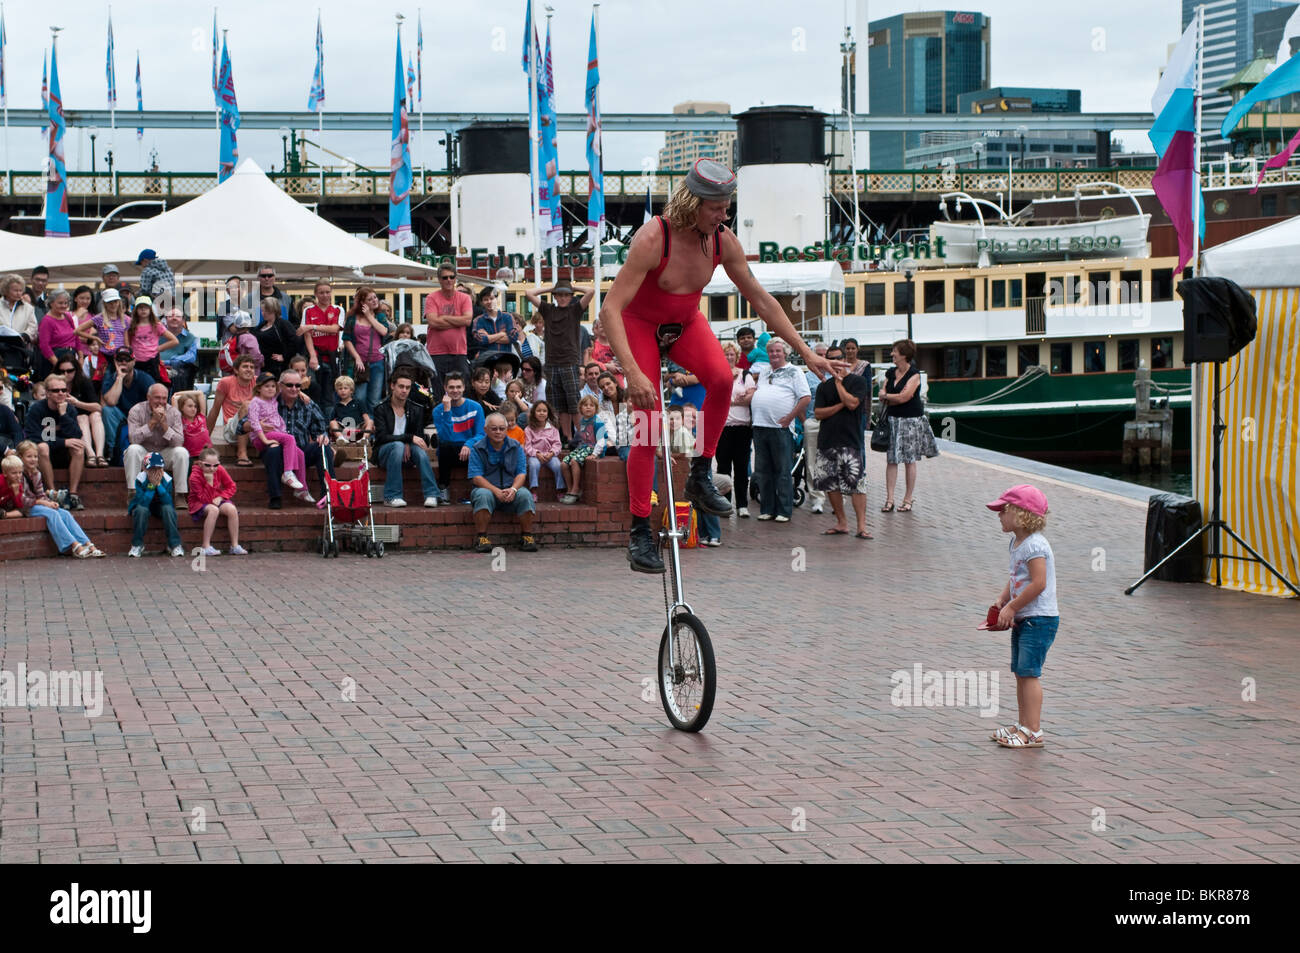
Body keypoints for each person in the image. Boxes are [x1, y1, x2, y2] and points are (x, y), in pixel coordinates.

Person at [600, 158, 835, 572]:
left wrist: (806, 351)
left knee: (722, 378)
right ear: (694, 203)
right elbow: (611, 309)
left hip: (685, 322)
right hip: (640, 323)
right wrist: (634, 373)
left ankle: (701, 472)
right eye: (718, 207)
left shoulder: (722, 240)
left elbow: (762, 300)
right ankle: (639, 531)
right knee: (648, 420)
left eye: (727, 207)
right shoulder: (654, 238)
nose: (725, 215)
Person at [986, 485, 1058, 750]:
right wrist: (1003, 598)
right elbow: (1016, 576)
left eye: (1003, 511)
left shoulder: (1036, 545)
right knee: (1020, 672)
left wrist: (1012, 608)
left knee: (1029, 673)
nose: (999, 516)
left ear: (1020, 514)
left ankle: (1034, 731)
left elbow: (1038, 583)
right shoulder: (1017, 542)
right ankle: (1023, 724)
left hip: (1039, 618)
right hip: (1025, 616)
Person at [247, 370, 334, 508]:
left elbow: (321, 425)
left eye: (298, 386)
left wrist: (322, 435)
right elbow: (242, 426)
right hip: (276, 451)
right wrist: (254, 425)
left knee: (323, 447)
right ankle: (275, 497)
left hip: (300, 451)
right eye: (289, 385)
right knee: (274, 451)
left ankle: (328, 494)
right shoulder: (269, 399)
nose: (294, 389)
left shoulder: (307, 403)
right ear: (280, 386)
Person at [750, 340, 810, 523]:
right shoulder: (765, 372)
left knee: (782, 470)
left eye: (778, 351)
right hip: (760, 426)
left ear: (785, 353)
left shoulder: (795, 372)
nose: (774, 354)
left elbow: (805, 397)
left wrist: (790, 417)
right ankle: (767, 508)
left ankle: (784, 510)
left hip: (781, 428)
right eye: (771, 351)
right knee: (762, 470)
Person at [1, 449, 103, 558]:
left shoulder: (36, 474)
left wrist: (50, 502)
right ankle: (75, 545)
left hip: (34, 504)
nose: (33, 459)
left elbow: (40, 494)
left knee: (64, 513)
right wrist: (37, 500)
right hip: (26, 507)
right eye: (29, 456)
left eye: (35, 456)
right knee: (52, 514)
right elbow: (22, 503)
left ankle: (88, 544)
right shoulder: (17, 478)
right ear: (21, 458)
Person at [812, 357, 872, 539]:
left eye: (840, 360)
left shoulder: (858, 382)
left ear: (846, 362)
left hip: (850, 441)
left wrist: (839, 384)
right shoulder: (823, 386)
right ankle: (842, 523)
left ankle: (862, 526)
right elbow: (818, 413)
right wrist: (840, 405)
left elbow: (853, 403)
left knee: (856, 485)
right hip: (827, 441)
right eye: (833, 362)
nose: (837, 365)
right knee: (830, 484)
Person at [526, 281, 595, 439]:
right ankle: (568, 438)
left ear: (571, 297)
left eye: (566, 295)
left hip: (569, 362)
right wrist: (552, 288)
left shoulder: (575, 309)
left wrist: (573, 287)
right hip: (551, 363)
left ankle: (582, 437)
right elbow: (529, 293)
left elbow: (590, 291)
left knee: (574, 403)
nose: (563, 298)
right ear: (555, 296)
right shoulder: (548, 309)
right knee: (559, 405)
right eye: (560, 295)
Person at [879, 338, 938, 513]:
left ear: (903, 355)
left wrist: (889, 396)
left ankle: (907, 499)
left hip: (911, 421)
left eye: (894, 351)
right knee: (892, 459)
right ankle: (889, 499)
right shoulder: (890, 373)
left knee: (909, 460)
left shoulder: (914, 375)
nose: (892, 354)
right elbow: (882, 393)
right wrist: (891, 396)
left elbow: (903, 397)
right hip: (893, 420)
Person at [467, 412, 538, 553]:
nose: (498, 432)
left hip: (510, 490)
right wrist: (496, 491)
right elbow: (476, 477)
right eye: (494, 429)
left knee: (525, 495)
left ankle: (527, 536)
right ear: (486, 430)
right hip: (488, 490)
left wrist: (513, 489)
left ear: (507, 429)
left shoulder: (516, 446)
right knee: (482, 495)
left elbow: (521, 473)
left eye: (501, 428)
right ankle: (482, 537)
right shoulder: (477, 448)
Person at [373, 368, 441, 508]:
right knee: (398, 446)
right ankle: (392, 496)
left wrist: (409, 442)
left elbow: (419, 437)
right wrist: (407, 439)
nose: (404, 390)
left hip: (407, 454)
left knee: (420, 452)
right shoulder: (381, 408)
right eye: (401, 386)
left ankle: (432, 494)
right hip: (384, 453)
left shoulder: (416, 408)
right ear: (392, 386)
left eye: (408, 387)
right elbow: (381, 437)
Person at [22, 373, 87, 510]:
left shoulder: (69, 408)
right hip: (44, 455)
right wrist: (63, 442)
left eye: (64, 390)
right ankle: (53, 493)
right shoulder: (37, 409)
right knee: (42, 447)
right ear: (47, 393)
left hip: (64, 455)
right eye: (56, 390)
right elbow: (33, 438)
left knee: (79, 448)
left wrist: (63, 415)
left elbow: (76, 435)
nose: (61, 393)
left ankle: (73, 494)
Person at [246, 372, 311, 502]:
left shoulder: (272, 400)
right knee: (290, 438)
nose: (270, 389)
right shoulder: (255, 402)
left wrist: (300, 393)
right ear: (259, 388)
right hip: (261, 437)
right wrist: (265, 440)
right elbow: (254, 423)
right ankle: (287, 473)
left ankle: (302, 489)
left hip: (274, 434)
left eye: (272, 386)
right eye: (266, 386)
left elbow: (286, 389)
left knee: (300, 454)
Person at [124, 383, 190, 497]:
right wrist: (153, 422)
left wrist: (164, 425)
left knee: (182, 452)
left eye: (164, 398)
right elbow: (133, 439)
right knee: (132, 449)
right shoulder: (136, 410)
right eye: (157, 398)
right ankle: (133, 492)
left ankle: (180, 494)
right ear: (148, 398)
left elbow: (179, 442)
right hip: (144, 452)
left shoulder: (174, 413)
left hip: (165, 452)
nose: (161, 401)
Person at [431, 371, 484, 502]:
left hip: (470, 450)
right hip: (450, 451)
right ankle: (443, 489)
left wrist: (468, 444)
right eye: (451, 387)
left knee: (479, 448)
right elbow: (445, 437)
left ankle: (476, 490)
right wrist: (447, 410)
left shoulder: (475, 407)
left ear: (464, 387)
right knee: (444, 446)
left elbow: (481, 434)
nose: (455, 390)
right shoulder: (438, 410)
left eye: (458, 387)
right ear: (445, 388)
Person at [716, 341, 755, 517]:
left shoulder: (745, 374)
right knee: (723, 467)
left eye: (732, 354)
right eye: (726, 354)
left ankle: (742, 505)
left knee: (741, 467)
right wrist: (736, 400)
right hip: (722, 427)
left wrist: (728, 402)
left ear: (737, 356)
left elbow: (749, 398)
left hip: (742, 427)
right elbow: (714, 397)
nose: (729, 357)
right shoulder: (718, 374)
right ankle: (725, 505)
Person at [100, 348, 156, 466]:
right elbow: (111, 401)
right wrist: (119, 377)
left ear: (134, 361)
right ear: (115, 361)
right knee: (107, 411)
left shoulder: (144, 378)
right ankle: (113, 451)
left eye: (127, 359)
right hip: (121, 418)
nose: (123, 362)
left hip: (141, 418)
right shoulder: (110, 378)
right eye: (120, 359)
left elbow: (156, 402)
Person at [188, 447, 246, 557]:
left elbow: (232, 486)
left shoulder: (219, 469)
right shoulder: (194, 476)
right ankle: (206, 546)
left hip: (216, 498)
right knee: (213, 510)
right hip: (198, 502)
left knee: (232, 509)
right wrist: (209, 482)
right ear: (200, 464)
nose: (212, 468)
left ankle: (235, 545)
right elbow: (203, 499)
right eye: (207, 465)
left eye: (215, 465)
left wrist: (222, 497)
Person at [423, 265, 474, 389]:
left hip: (459, 352)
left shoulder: (465, 298)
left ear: (456, 278)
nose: (449, 280)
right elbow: (433, 322)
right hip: (436, 352)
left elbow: (467, 320)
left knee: (462, 389)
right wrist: (458, 320)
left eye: (452, 277)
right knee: (438, 389)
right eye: (445, 277)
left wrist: (444, 318)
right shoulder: (431, 297)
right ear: (439, 279)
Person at [298, 279, 343, 419]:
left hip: (331, 356)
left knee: (329, 395)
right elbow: (306, 335)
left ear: (331, 293)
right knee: (314, 389)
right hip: (315, 355)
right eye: (321, 292)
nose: (325, 295)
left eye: (327, 292)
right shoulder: (309, 310)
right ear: (316, 294)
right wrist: (312, 356)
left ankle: (328, 426)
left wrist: (313, 326)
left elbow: (335, 329)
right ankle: (314, 423)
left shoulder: (337, 309)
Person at [127, 451, 184, 558]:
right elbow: (142, 502)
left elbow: (168, 502)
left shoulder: (167, 479)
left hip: (160, 506)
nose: (155, 472)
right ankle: (137, 544)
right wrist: (151, 486)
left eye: (158, 469)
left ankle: (174, 544)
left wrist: (158, 485)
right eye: (152, 469)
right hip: (144, 505)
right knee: (140, 511)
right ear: (145, 469)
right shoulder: (140, 478)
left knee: (168, 510)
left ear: (162, 469)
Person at [342, 286, 390, 415]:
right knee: (359, 397)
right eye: (370, 299)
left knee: (374, 399)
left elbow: (384, 331)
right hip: (360, 362)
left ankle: (372, 429)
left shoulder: (379, 316)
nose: (375, 300)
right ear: (363, 302)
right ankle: (361, 425)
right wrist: (356, 357)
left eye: (375, 297)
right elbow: (346, 339)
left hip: (377, 361)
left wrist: (369, 315)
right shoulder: (352, 318)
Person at [54, 356, 108, 468]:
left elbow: (98, 407)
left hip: (87, 418)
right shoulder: (53, 384)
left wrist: (77, 403)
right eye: (61, 371)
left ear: (76, 370)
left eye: (69, 371)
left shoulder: (83, 382)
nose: (65, 374)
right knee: (81, 417)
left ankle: (100, 455)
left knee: (95, 415)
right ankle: (90, 455)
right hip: (68, 422)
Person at [207, 353, 257, 463]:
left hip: (254, 430)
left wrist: (300, 392)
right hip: (231, 430)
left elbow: (280, 386)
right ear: (236, 370)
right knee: (247, 405)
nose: (249, 370)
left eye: (252, 367)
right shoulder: (226, 382)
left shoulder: (258, 382)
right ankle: (241, 453)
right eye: (245, 366)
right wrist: (206, 439)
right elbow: (215, 410)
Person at [560, 393, 607, 504]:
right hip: (583, 447)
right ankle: (570, 488)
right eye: (585, 405)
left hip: (594, 448)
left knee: (574, 461)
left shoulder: (598, 422)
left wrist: (595, 454)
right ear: (580, 408)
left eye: (591, 405)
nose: (588, 407)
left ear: (596, 408)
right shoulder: (582, 421)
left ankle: (576, 489)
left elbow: (601, 440)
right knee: (563, 463)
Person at [801, 342, 830, 516]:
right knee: (812, 462)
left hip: (834, 424)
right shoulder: (807, 376)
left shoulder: (838, 374)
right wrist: (805, 421)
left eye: (825, 354)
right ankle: (817, 498)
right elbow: (801, 398)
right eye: (818, 354)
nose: (822, 357)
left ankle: (837, 498)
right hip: (813, 421)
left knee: (835, 461)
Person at [126, 296, 179, 384]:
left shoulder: (156, 325)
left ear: (150, 309)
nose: (143, 310)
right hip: (135, 362)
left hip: (151, 361)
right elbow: (127, 343)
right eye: (140, 307)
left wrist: (158, 348)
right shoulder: (131, 325)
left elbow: (174, 340)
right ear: (136, 310)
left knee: (152, 386)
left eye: (146, 307)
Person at [35, 290, 81, 380]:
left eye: (66, 303)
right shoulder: (47, 321)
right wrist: (58, 365)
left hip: (71, 357)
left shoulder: (67, 316)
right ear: (51, 303)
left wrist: (81, 356)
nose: (63, 306)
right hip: (54, 360)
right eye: (60, 303)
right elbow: (44, 346)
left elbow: (76, 335)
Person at [523, 399, 565, 496]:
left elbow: (557, 444)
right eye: (538, 411)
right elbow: (527, 446)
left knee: (557, 465)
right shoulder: (529, 429)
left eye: (544, 411)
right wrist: (537, 454)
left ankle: (560, 489)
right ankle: (534, 490)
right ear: (534, 413)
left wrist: (552, 453)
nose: (541, 413)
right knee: (534, 465)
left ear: (548, 413)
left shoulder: (553, 429)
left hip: (550, 455)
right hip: (535, 456)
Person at [251, 295, 298, 380]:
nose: (263, 313)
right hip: (262, 366)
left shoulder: (283, 324)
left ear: (274, 310)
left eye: (267, 311)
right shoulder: (261, 326)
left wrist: (285, 356)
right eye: (262, 311)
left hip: (277, 368)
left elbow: (295, 341)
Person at [471, 286, 518, 363]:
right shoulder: (478, 320)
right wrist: (501, 334)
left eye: (491, 298)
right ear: (482, 302)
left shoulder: (508, 317)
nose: (489, 301)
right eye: (485, 299)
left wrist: (489, 336)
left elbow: (513, 337)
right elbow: (480, 340)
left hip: (505, 360)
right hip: (486, 361)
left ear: (497, 299)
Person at [596, 372, 632, 461]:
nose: (606, 388)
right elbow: (609, 429)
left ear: (615, 383)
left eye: (608, 384)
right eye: (602, 387)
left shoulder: (628, 399)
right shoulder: (602, 406)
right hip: (617, 444)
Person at [161, 309, 199, 393]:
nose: (174, 318)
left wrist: (170, 361)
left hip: (181, 377)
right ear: (166, 320)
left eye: (178, 316)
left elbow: (191, 356)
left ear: (183, 321)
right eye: (170, 316)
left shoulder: (190, 338)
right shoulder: (157, 335)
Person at [84, 287, 131, 355]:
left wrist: (128, 354)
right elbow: (77, 331)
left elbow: (126, 342)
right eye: (109, 302)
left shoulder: (124, 319)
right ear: (105, 303)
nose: (113, 304)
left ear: (119, 302)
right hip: (105, 354)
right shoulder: (99, 318)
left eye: (115, 301)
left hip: (120, 355)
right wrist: (95, 338)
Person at [328, 374, 373, 443]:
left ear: (351, 390)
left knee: (370, 421)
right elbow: (331, 424)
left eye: (345, 388)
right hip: (343, 430)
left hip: (357, 429)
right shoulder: (337, 406)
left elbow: (366, 418)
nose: (343, 390)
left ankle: (364, 439)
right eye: (340, 389)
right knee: (332, 423)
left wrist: (369, 426)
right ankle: (341, 439)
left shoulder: (358, 402)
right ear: (337, 391)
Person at [1, 272, 39, 344]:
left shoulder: (28, 308)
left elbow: (33, 327)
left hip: (19, 348)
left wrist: (24, 336)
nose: (18, 293)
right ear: (6, 290)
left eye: (20, 290)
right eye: (15, 290)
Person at [176, 392, 213, 459]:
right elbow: (174, 398)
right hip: (191, 457)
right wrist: (177, 394)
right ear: (181, 407)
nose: (193, 409)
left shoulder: (201, 417)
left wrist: (179, 393)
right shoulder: (179, 420)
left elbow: (200, 393)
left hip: (207, 454)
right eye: (190, 406)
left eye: (195, 406)